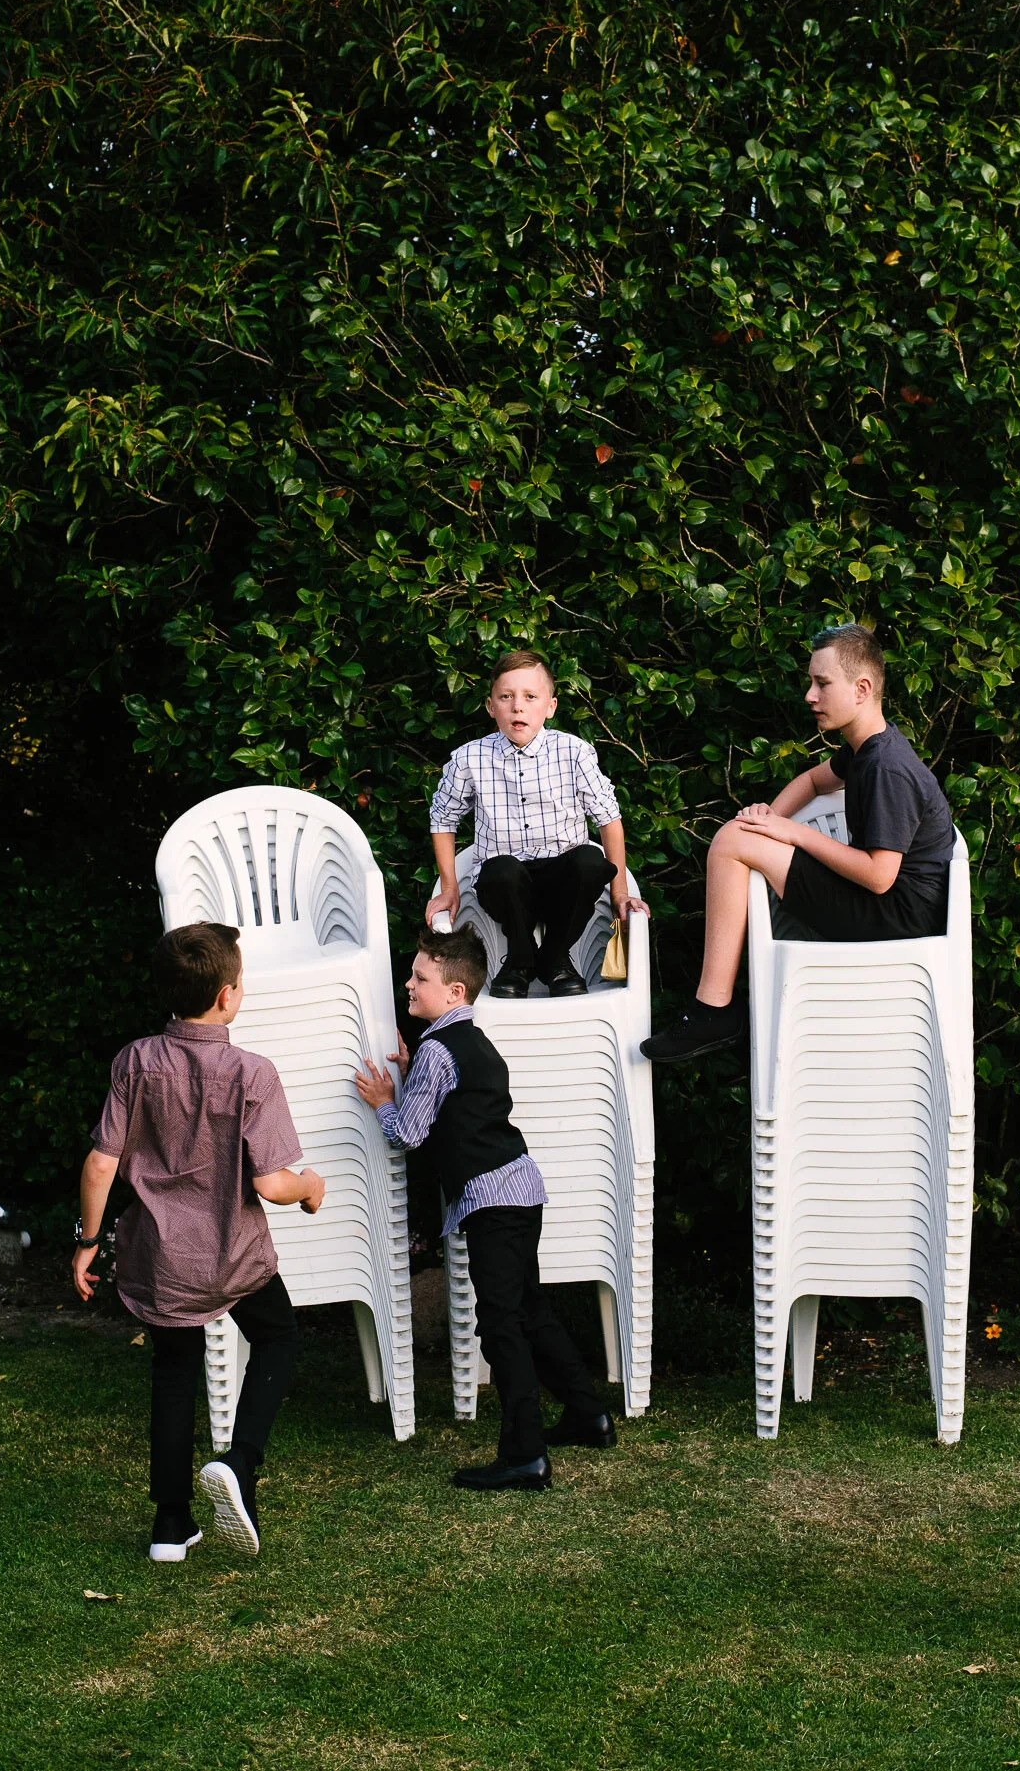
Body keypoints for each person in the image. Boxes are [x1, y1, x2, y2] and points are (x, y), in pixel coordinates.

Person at [70, 923, 327, 1562]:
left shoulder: (135, 1061)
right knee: (278, 1335)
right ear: (226, 997)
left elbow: (102, 1163)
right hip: (233, 1253)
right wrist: (311, 1184)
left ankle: (169, 1525)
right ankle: (241, 1463)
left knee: (173, 1371)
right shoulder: (252, 1072)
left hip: (160, 1257)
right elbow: (270, 1183)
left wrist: (87, 1241)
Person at [353, 927, 616, 1489]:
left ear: (454, 993)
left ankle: (526, 1453)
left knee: (501, 1327)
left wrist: (382, 1101)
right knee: (529, 1310)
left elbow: (409, 1132)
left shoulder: (436, 1052)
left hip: (493, 1199)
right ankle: (588, 1414)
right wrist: (410, 1074)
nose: (409, 983)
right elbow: (451, 1108)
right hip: (522, 1187)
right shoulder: (468, 1041)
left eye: (421, 977)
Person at [640, 623, 955, 1063]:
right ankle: (714, 1007)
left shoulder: (887, 767)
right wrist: (770, 818)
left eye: (822, 683)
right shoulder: (866, 749)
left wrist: (793, 833)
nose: (810, 695)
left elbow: (880, 876)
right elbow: (812, 779)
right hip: (879, 905)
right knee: (740, 836)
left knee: (732, 842)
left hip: (892, 920)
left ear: (862, 689)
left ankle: (713, 1009)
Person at [427, 649, 646, 998]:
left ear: (550, 706)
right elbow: (442, 818)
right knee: (501, 871)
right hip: (507, 885)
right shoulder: (469, 758)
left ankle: (555, 958)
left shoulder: (574, 752)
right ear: (490, 706)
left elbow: (609, 819)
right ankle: (519, 960)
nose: (518, 706)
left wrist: (620, 892)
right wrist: (449, 888)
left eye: (530, 697)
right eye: (506, 696)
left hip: (564, 880)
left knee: (591, 861)